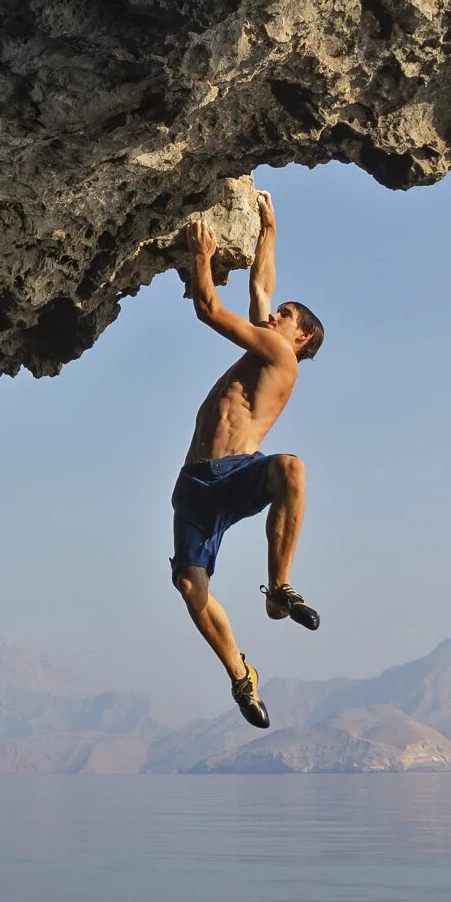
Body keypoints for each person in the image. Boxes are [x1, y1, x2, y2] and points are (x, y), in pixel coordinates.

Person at [170, 192, 324, 728]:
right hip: (194, 484)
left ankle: (279, 587)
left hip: (236, 473)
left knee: (291, 468)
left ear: (299, 336)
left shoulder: (281, 355)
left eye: (283, 317)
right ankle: (242, 677)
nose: (272, 314)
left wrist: (202, 255)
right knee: (190, 587)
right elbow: (261, 287)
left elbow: (209, 308)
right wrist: (268, 228)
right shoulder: (267, 344)